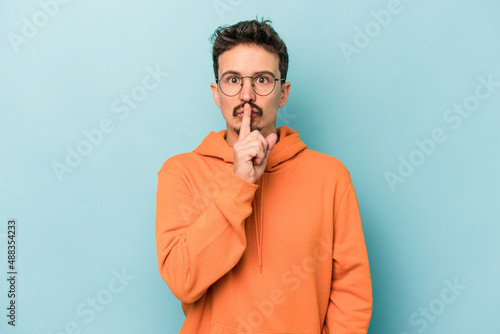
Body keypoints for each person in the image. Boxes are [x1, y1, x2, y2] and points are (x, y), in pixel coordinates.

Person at [155, 18, 372, 334]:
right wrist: (240, 184)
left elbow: (351, 292)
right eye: (233, 80)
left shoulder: (331, 177)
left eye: (261, 80)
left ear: (282, 94)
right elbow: (182, 279)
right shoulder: (181, 172)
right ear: (217, 94)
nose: (246, 95)